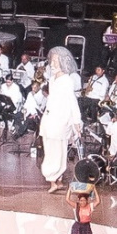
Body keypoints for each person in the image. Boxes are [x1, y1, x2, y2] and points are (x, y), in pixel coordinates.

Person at [39, 47, 82, 194]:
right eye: (52, 61)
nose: (52, 64)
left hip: (60, 121)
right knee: (51, 149)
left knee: (58, 150)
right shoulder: (52, 79)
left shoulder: (66, 80)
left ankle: (54, 180)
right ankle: (56, 180)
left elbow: (72, 101)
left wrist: (76, 121)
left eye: (56, 61)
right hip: (49, 119)